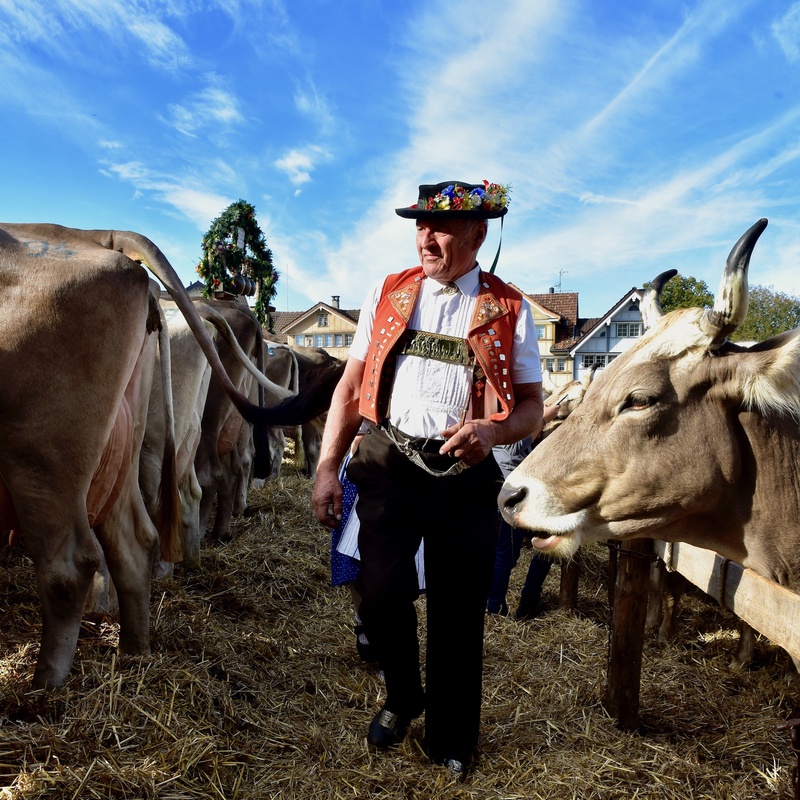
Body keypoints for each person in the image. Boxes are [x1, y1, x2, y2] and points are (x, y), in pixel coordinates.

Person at [312, 180, 544, 781]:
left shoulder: (508, 307)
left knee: (458, 613)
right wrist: (325, 468)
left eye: (439, 228)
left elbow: (531, 411)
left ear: (477, 235)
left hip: (466, 476)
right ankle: (403, 695)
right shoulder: (388, 292)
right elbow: (350, 385)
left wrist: (493, 433)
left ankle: (452, 738)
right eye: (419, 226)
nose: (426, 238)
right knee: (382, 592)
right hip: (389, 463)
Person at [487, 401, 562, 620]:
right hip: (512, 494)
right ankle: (497, 607)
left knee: (545, 547)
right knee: (507, 555)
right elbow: (511, 449)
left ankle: (523, 603)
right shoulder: (500, 408)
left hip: (520, 491)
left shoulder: (506, 404)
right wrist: (544, 418)